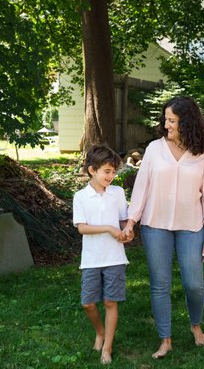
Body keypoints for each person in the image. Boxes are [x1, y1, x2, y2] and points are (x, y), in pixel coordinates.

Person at [122, 96, 204, 359]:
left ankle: (196, 325)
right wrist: (132, 220)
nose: (166, 125)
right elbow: (141, 187)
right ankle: (165, 339)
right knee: (160, 284)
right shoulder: (155, 148)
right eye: (165, 119)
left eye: (172, 120)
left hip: (191, 225)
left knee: (194, 284)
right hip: (156, 224)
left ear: (186, 122)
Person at [72, 145, 134, 364]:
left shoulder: (117, 193)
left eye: (114, 171)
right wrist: (109, 228)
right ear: (92, 170)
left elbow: (124, 220)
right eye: (107, 171)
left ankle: (107, 348)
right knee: (88, 303)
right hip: (91, 259)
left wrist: (127, 231)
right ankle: (100, 331)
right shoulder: (81, 197)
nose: (111, 176)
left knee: (110, 302)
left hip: (114, 258)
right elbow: (82, 228)